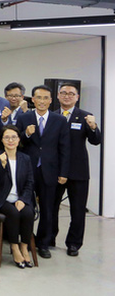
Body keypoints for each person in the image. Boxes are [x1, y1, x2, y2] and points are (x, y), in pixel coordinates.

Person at [16, 85, 70, 259]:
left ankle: (43, 243)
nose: (42, 101)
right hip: (27, 170)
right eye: (38, 98)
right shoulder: (24, 118)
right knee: (26, 208)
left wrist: (63, 172)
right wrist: (26, 134)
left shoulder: (59, 120)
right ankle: (24, 241)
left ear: (51, 100)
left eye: (46, 98)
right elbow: (16, 143)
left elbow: (64, 148)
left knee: (48, 209)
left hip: (50, 171)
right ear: (33, 99)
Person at [52, 83, 101, 257]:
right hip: (56, 171)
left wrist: (94, 127)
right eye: (63, 93)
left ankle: (73, 243)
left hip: (78, 172)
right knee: (51, 207)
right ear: (58, 96)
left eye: (71, 94)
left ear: (77, 97)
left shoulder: (86, 116)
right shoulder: (52, 116)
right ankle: (50, 238)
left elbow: (96, 141)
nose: (67, 96)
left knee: (78, 210)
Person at [0, 125, 35, 268]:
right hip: (1, 199)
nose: (10, 140)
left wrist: (23, 199)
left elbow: (29, 182)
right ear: (2, 140)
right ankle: (14, 247)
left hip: (20, 198)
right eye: (6, 137)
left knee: (28, 212)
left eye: (14, 137)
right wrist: (2, 165)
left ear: (19, 139)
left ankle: (24, 247)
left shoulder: (25, 158)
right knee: (13, 213)